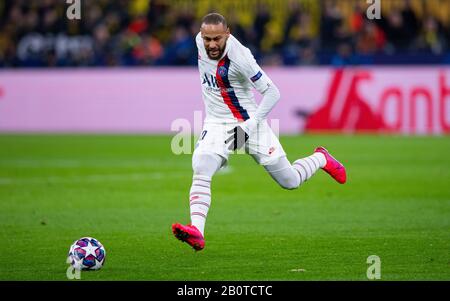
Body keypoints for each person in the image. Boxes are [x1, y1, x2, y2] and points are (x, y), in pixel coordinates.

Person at [172, 13, 347, 251]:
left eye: (217, 39)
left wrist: (248, 126)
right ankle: (197, 232)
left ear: (228, 34)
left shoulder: (241, 57)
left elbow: (273, 92)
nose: (211, 44)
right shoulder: (198, 42)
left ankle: (321, 158)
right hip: (216, 122)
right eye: (207, 39)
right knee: (201, 165)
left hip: (250, 121)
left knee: (290, 181)